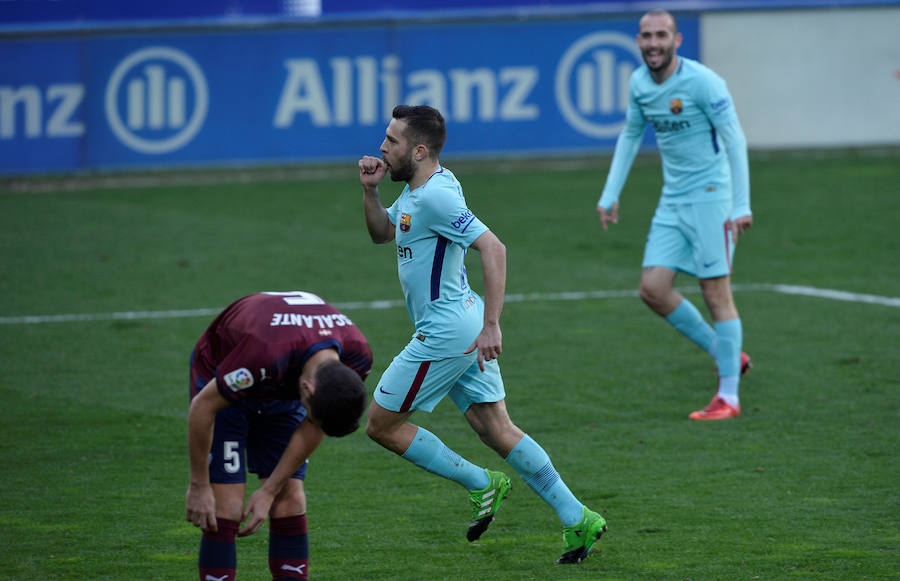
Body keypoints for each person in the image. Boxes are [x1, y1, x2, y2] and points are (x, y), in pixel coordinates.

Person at [358, 104, 606, 564]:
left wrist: (494, 324)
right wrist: (370, 192)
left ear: (418, 149)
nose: (381, 148)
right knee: (497, 429)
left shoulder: (436, 197)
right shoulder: (422, 189)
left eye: (391, 141)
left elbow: (493, 246)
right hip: (461, 320)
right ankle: (578, 517)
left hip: (447, 331)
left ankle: (481, 482)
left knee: (380, 424)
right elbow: (382, 234)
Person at [596, 9, 753, 420]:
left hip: (712, 199)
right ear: (638, 41)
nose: (653, 43)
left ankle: (729, 399)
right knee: (653, 289)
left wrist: (741, 204)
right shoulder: (639, 83)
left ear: (677, 41)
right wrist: (611, 193)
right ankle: (726, 353)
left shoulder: (703, 82)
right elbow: (631, 134)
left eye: (661, 35)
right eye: (646, 36)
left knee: (716, 293)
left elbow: (735, 138)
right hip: (673, 199)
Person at [185, 291, 372, 581]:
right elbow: (203, 407)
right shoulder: (264, 352)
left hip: (284, 376)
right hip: (227, 376)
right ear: (307, 392)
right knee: (227, 507)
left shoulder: (357, 357)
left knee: (290, 498)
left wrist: (269, 490)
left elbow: (315, 423)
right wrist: (198, 485)